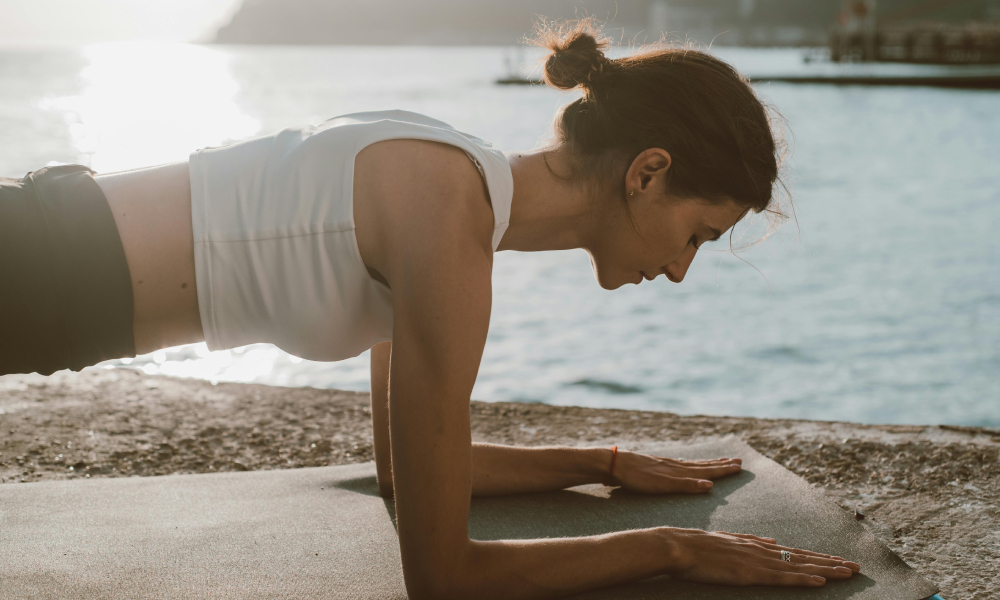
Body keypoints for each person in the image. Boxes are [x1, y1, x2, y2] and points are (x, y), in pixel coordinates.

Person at [0, 20, 860, 600]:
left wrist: (601, 461)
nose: (679, 271)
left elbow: (402, 471)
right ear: (646, 172)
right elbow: (445, 576)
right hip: (29, 270)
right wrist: (672, 546)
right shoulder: (447, 226)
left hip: (40, 264)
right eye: (699, 236)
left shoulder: (449, 181)